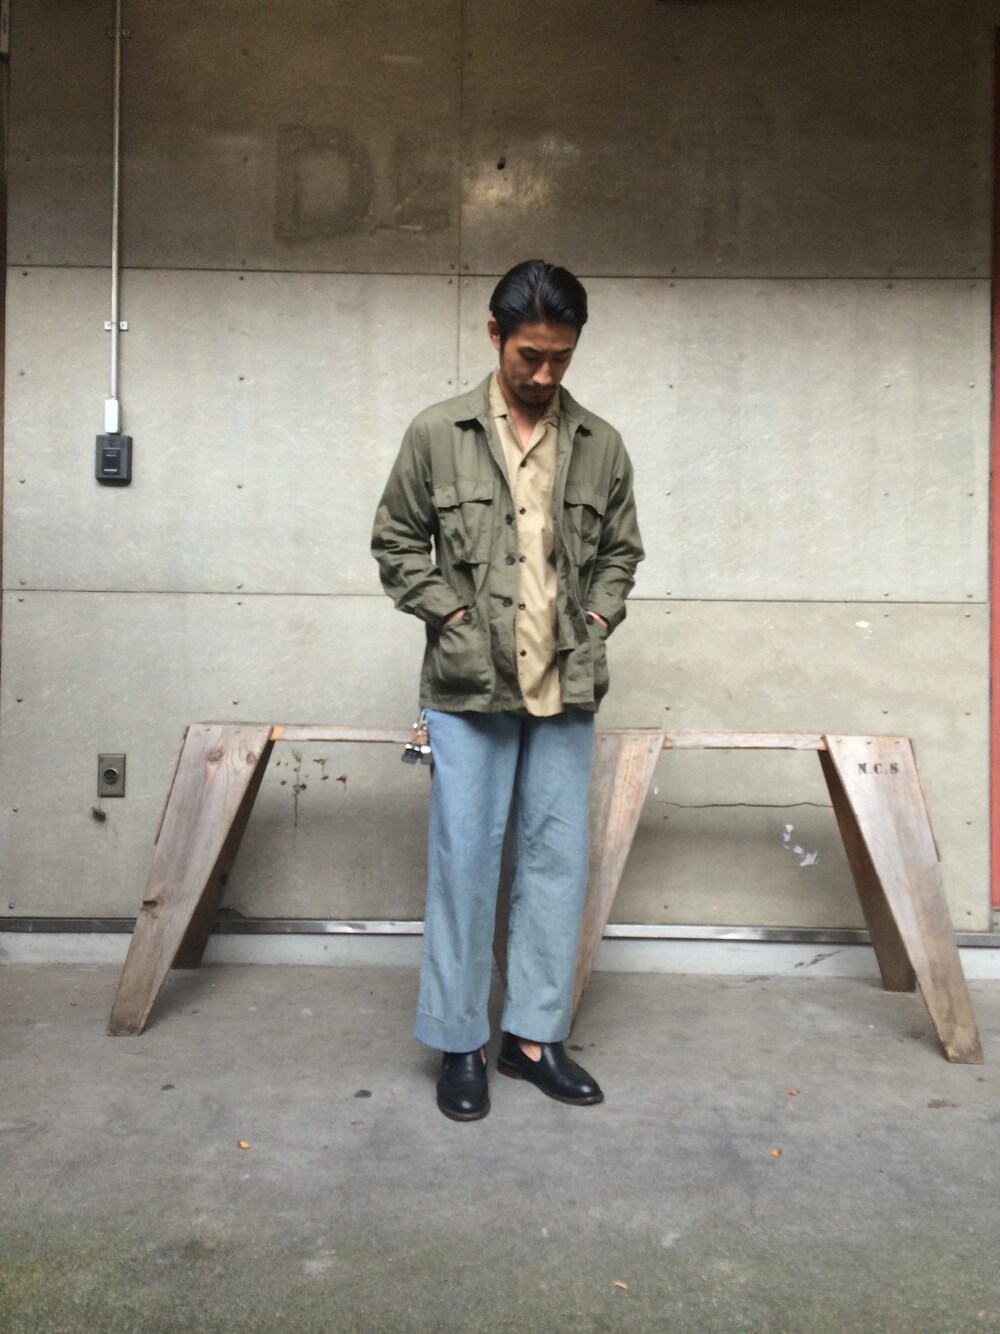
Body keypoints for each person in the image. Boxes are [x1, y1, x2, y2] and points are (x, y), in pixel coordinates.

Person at [371, 259, 643, 1120]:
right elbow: (395, 542)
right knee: (465, 864)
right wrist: (452, 615)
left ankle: (533, 1040)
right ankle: (460, 1043)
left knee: (557, 864)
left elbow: (621, 552)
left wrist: (595, 620)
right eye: (531, 355)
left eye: (562, 357)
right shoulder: (436, 432)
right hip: (467, 684)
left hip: (566, 681)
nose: (545, 374)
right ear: (495, 335)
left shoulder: (600, 444)